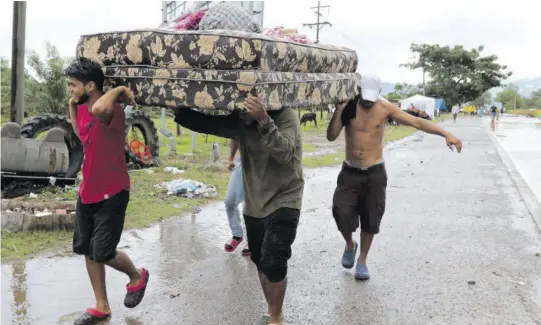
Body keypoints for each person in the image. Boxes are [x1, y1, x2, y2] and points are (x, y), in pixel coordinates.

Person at [174, 97, 304, 325]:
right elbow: (208, 124)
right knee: (260, 260)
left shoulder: (286, 116)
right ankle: (273, 310)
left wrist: (264, 120)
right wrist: (177, 106)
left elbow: (285, 152)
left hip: (286, 197)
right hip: (254, 201)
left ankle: (276, 317)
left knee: (274, 259)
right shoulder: (241, 120)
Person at [327, 74, 463, 281]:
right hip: (350, 172)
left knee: (371, 218)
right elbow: (331, 136)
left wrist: (446, 134)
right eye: (364, 97)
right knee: (341, 211)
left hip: (374, 172)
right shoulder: (348, 106)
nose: (367, 102)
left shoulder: (385, 108)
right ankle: (349, 245)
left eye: (372, 98)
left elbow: (417, 122)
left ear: (379, 94)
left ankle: (362, 260)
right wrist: (338, 109)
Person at [65, 58, 149, 325]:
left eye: (73, 85)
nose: (70, 90)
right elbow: (81, 134)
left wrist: (118, 90)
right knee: (88, 251)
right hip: (87, 190)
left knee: (103, 251)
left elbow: (101, 106)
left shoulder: (112, 109)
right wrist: (71, 105)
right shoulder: (83, 107)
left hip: (112, 191)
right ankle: (101, 306)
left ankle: (137, 276)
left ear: (91, 85)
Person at [224, 139, 250, 256]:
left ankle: (253, 240)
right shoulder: (242, 120)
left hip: (264, 165)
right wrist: (231, 158)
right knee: (230, 200)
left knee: (253, 204)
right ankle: (237, 235)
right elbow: (236, 136)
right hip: (243, 163)